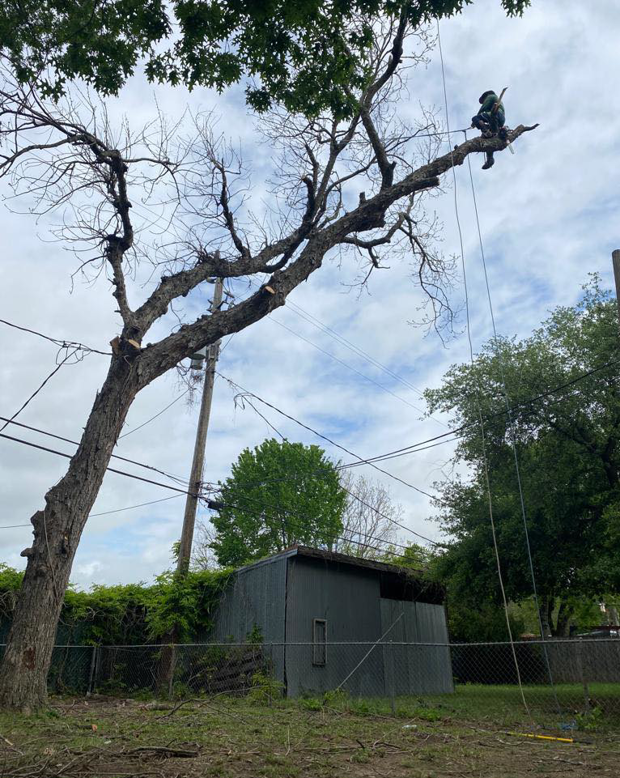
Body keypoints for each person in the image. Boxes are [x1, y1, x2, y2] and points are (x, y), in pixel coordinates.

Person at [471, 90, 507, 170]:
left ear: (485, 96)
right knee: (489, 140)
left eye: (483, 100)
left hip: (495, 114)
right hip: (499, 120)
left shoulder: (491, 96)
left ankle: (484, 129)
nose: (484, 101)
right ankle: (490, 159)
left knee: (475, 118)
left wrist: (474, 123)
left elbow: (483, 108)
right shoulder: (497, 99)